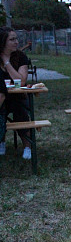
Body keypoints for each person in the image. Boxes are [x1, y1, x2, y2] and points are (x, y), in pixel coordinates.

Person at [0, 26, 31, 159]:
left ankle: (28, 146)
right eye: (12, 39)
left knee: (21, 112)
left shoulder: (20, 57)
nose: (16, 42)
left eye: (16, 38)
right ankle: (1, 141)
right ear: (3, 42)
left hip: (17, 96)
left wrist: (6, 62)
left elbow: (21, 81)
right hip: (1, 97)